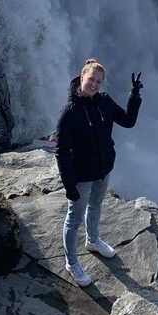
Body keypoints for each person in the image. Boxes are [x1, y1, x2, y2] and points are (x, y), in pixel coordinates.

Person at [55, 59, 142, 286]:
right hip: (81, 174)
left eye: (98, 81)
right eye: (91, 79)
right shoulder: (69, 112)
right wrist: (69, 185)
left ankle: (93, 240)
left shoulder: (104, 102)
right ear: (81, 77)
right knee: (73, 219)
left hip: (103, 168)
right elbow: (61, 152)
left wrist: (134, 95)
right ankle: (72, 262)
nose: (94, 84)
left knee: (96, 205)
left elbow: (128, 121)